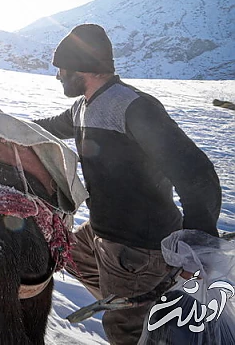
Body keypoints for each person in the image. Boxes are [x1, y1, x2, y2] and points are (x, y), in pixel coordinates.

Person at [34, 23, 221, 345]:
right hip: (105, 232)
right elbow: (48, 127)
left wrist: (196, 249)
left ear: (83, 67)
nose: (58, 76)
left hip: (139, 245)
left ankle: (142, 305)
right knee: (68, 254)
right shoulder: (83, 106)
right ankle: (142, 301)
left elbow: (198, 175)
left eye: (62, 69)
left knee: (127, 331)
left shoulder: (134, 107)